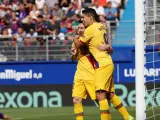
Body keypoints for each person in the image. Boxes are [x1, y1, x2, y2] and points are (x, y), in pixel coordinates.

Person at [74, 8, 135, 120]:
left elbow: (78, 43)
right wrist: (109, 47)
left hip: (101, 64)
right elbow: (107, 47)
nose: (83, 20)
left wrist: (75, 39)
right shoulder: (101, 26)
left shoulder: (90, 29)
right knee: (110, 94)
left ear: (90, 17)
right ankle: (128, 117)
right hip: (108, 61)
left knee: (100, 95)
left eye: (84, 17)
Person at [71, 20, 113, 120]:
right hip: (79, 73)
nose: (80, 30)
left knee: (100, 100)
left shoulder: (92, 40)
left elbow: (106, 51)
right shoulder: (76, 40)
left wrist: (108, 47)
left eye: (82, 28)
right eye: (79, 28)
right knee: (76, 99)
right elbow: (73, 58)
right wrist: (74, 54)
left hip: (92, 73)